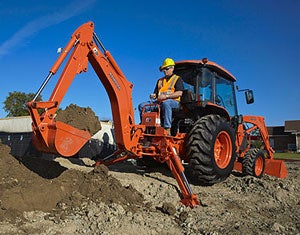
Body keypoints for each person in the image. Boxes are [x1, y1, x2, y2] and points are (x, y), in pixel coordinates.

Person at [138, 58, 184, 134]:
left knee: (166, 104)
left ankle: (167, 128)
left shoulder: (177, 79)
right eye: (163, 69)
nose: (164, 71)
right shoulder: (160, 81)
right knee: (142, 106)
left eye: (166, 68)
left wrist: (166, 97)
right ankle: (145, 127)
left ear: (172, 68)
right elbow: (156, 94)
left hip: (174, 102)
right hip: (159, 103)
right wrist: (153, 95)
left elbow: (179, 93)